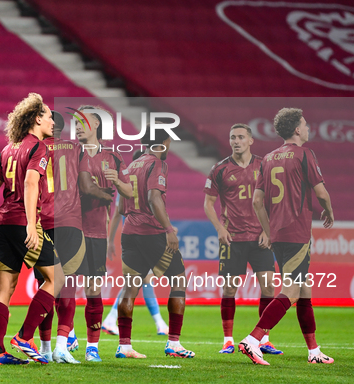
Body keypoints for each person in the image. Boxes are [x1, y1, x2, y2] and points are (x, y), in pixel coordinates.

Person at [239, 108, 335, 365]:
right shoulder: (305, 154)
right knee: (292, 290)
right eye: (304, 124)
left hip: (279, 233)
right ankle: (253, 339)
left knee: (304, 290)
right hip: (297, 231)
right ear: (296, 129)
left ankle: (314, 351)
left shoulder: (268, 158)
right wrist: (328, 211)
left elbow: (257, 201)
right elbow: (322, 193)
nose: (307, 128)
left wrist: (269, 232)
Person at [0, 93, 65, 365]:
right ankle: (24, 336)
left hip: (4, 223)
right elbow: (32, 184)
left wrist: (0, 217)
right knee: (58, 278)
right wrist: (31, 224)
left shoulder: (7, 148)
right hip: (24, 222)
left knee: (4, 288)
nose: (53, 121)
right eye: (49, 116)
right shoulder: (38, 147)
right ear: (37, 118)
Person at [35, 111, 111, 364]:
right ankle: (61, 347)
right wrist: (108, 195)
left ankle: (44, 349)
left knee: (45, 287)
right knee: (67, 286)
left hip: (40, 222)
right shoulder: (76, 149)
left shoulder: (31, 147)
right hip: (69, 223)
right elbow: (87, 185)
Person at [203, 124, 282, 355]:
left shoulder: (265, 166)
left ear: (250, 141)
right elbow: (208, 204)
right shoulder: (219, 169)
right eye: (232, 137)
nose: (236, 141)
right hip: (232, 238)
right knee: (229, 289)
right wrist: (219, 228)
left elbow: (275, 201)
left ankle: (264, 338)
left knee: (268, 286)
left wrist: (269, 231)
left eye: (240, 137)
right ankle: (228, 340)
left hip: (261, 239)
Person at [116, 129, 195, 359]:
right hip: (151, 232)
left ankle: (124, 346)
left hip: (129, 232)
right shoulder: (157, 164)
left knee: (130, 287)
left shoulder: (130, 167)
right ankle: (173, 344)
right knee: (179, 279)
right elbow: (153, 198)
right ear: (164, 142)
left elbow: (121, 208)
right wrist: (168, 229)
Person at [76, 105, 132, 362]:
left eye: (82, 122)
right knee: (61, 287)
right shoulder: (69, 154)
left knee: (93, 289)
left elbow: (131, 192)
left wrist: (118, 181)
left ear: (96, 125)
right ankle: (63, 339)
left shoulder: (113, 158)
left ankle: (92, 346)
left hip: (97, 231)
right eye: (75, 122)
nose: (76, 126)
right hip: (69, 229)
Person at [102, 151, 169, 337]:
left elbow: (118, 212)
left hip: (130, 236)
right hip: (144, 236)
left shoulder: (127, 183)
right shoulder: (149, 183)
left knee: (140, 279)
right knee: (140, 279)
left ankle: (157, 323)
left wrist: (110, 240)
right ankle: (157, 323)